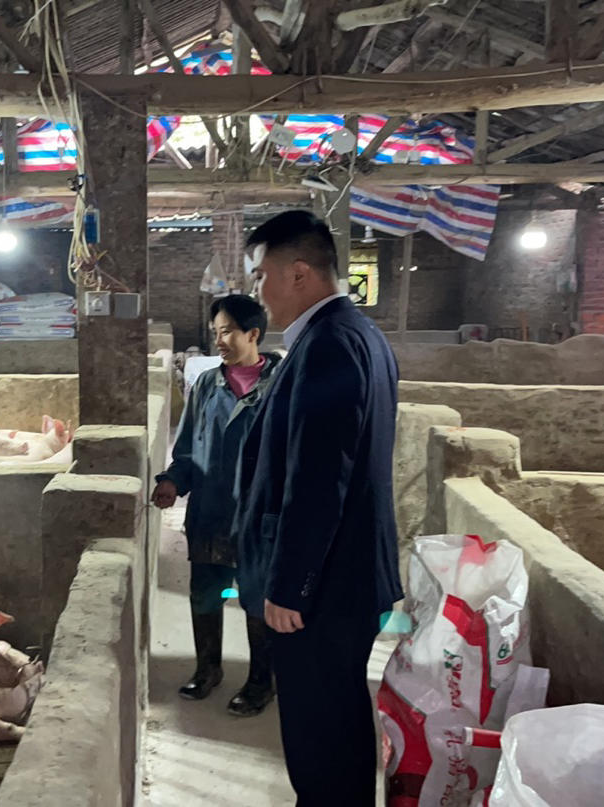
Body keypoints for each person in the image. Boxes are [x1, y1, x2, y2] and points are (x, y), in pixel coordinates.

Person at [233, 211, 403, 804]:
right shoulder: (358, 335)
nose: (258, 292)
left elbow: (319, 477)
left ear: (299, 273)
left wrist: (291, 585)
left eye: (260, 276)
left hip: (324, 588)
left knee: (317, 734)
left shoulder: (328, 345)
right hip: (346, 578)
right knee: (338, 719)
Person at [152, 294, 282, 716]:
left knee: (257, 600)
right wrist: (173, 480)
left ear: (253, 334)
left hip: (259, 516)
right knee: (205, 594)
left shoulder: (281, 385)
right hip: (210, 512)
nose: (219, 341)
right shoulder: (207, 384)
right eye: (216, 333)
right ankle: (208, 669)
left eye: (227, 331)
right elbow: (188, 447)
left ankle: (261, 682)